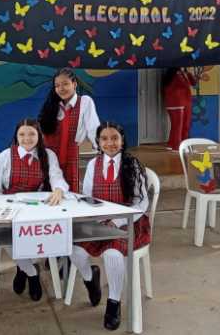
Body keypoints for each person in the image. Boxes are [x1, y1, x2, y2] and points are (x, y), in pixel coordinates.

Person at [69, 122, 151, 331]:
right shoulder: (92, 165)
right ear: (98, 142)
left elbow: (141, 203)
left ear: (122, 140)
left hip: (129, 221)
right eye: (104, 138)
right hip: (99, 219)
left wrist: (120, 220)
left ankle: (114, 303)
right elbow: (87, 197)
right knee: (72, 249)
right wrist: (94, 217)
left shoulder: (132, 165)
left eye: (115, 138)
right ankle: (90, 279)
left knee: (113, 255)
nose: (110, 143)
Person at [0, 118, 69, 301]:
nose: (27, 138)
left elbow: (57, 177)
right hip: (9, 210)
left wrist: (58, 189)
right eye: (22, 134)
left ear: (39, 135)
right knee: (4, 236)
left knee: (42, 232)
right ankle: (31, 272)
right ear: (16, 136)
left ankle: (22, 268)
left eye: (32, 133)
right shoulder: (6, 156)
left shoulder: (48, 155)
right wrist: (5, 207)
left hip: (36, 211)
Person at [39, 68, 100, 192]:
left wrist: (103, 151)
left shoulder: (85, 102)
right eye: (57, 85)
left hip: (71, 155)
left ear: (74, 84)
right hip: (49, 155)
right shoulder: (51, 105)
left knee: (70, 192)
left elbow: (94, 129)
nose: (61, 88)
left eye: (65, 84)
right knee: (48, 190)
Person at [162, 67, 197, 151]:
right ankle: (176, 146)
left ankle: (179, 144)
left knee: (185, 125)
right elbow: (184, 84)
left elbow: (194, 83)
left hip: (185, 101)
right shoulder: (175, 74)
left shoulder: (183, 73)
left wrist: (189, 73)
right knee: (177, 126)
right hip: (176, 103)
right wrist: (185, 74)